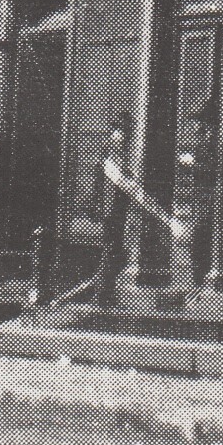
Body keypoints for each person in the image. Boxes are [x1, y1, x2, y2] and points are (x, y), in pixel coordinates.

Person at [89, 114, 135, 309]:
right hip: (112, 211)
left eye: (126, 132)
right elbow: (110, 183)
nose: (123, 136)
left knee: (114, 251)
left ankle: (104, 293)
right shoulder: (113, 154)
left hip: (115, 210)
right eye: (121, 131)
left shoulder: (113, 153)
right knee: (112, 251)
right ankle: (102, 295)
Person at [187, 96, 220, 289]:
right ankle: (197, 280)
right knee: (198, 237)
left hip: (207, 197)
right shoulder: (203, 138)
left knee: (200, 236)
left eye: (198, 120)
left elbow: (211, 167)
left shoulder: (212, 138)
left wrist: (193, 164)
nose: (195, 125)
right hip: (200, 197)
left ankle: (200, 280)